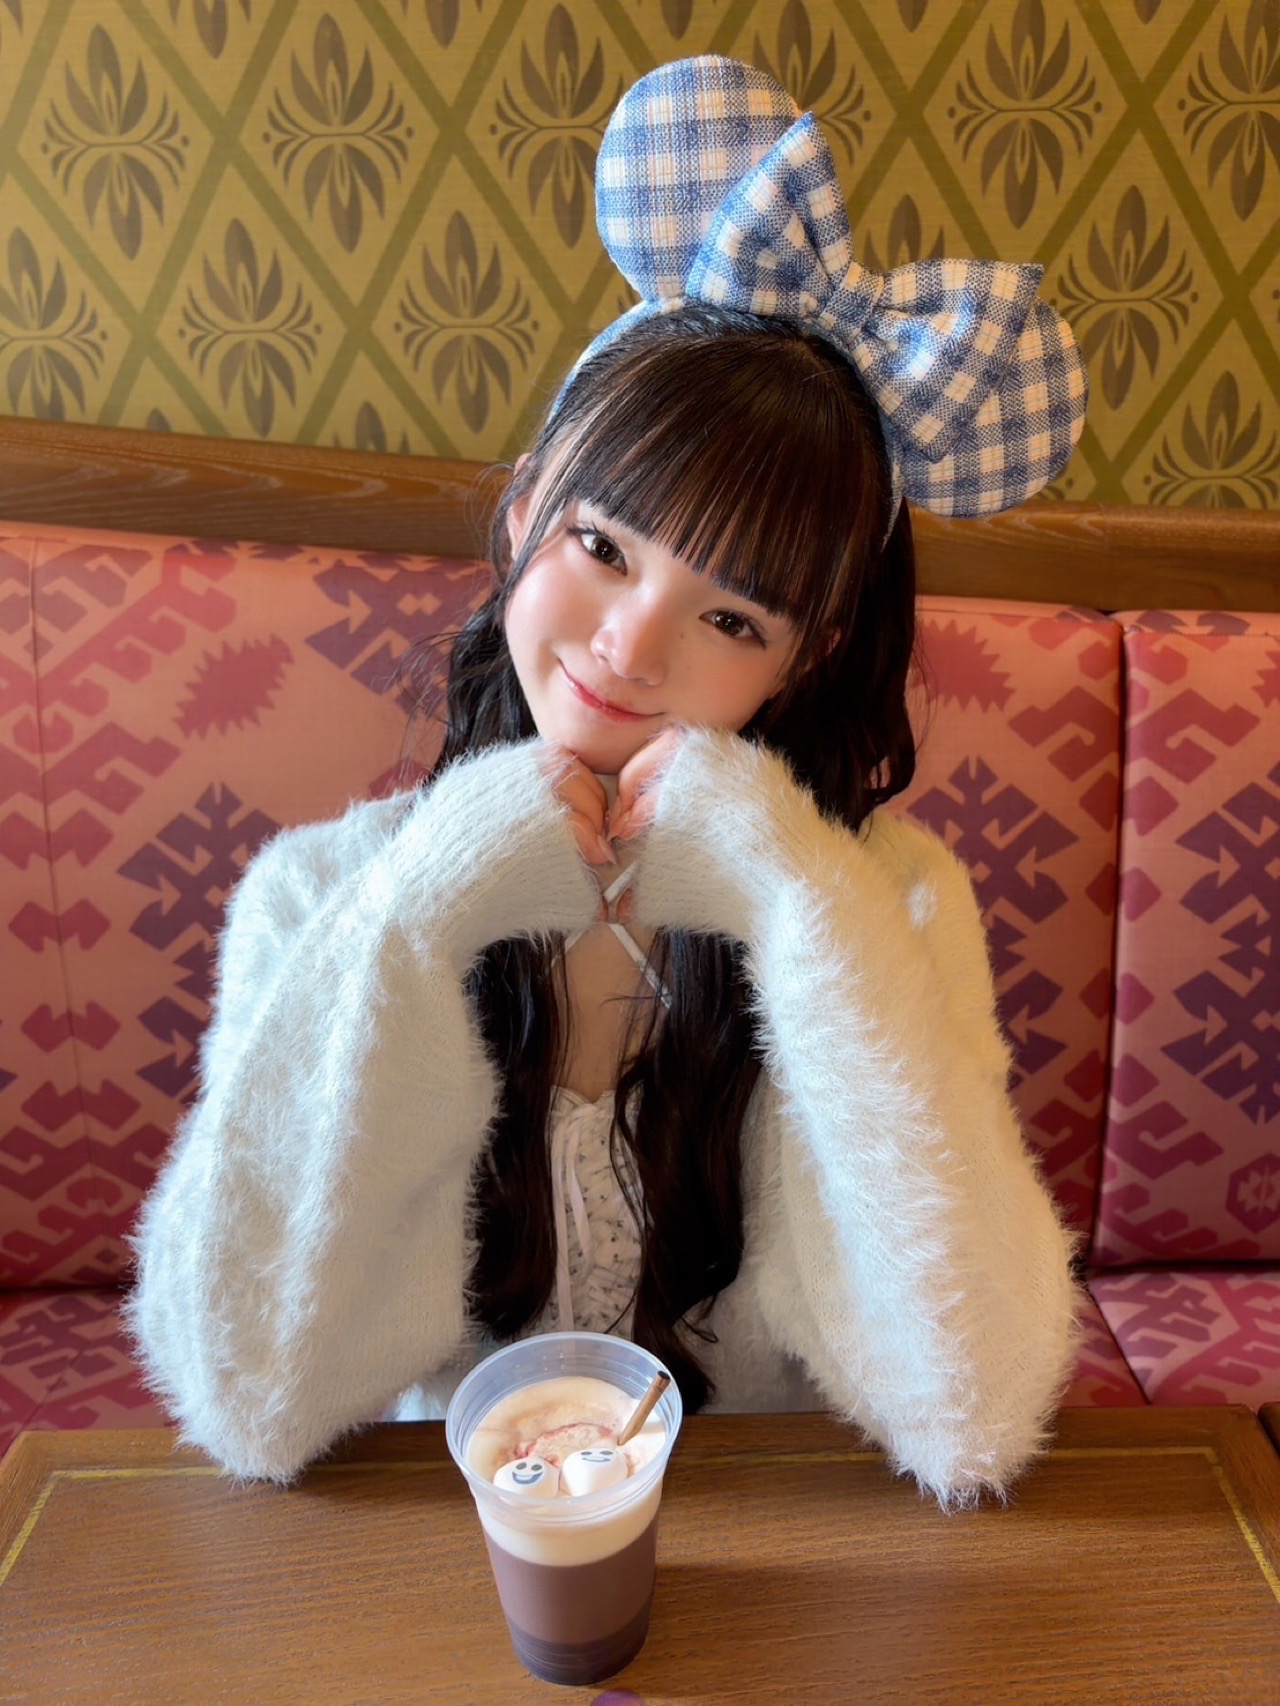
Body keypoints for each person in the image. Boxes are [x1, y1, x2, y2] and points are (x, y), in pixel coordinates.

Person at [124, 55, 1090, 1511]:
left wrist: (804, 912)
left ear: (809, 657)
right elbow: (251, 1397)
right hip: (450, 1544)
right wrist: (416, 918)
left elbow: (971, 1408)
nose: (631, 647)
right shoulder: (321, 893)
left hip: (777, 1536)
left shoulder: (888, 901)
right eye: (601, 546)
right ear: (526, 506)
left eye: (732, 617)